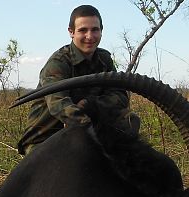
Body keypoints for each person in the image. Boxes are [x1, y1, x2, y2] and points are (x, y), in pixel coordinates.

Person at [18, 4, 140, 155]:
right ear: (71, 32)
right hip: (46, 137)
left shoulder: (104, 59)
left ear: (102, 30)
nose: (90, 36)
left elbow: (120, 96)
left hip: (86, 126)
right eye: (83, 30)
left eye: (95, 30)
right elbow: (59, 106)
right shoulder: (58, 62)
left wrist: (90, 104)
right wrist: (92, 126)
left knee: (130, 120)